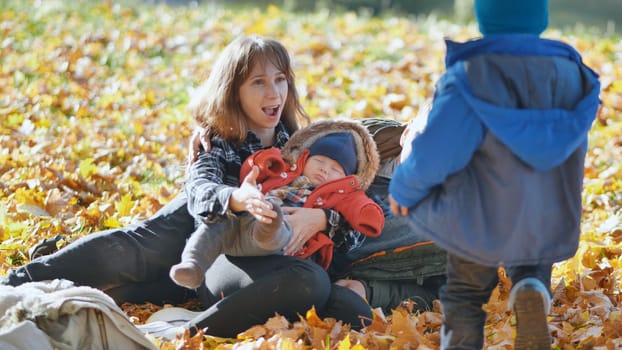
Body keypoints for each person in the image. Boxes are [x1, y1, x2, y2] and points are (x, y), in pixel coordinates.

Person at [2, 35, 373, 337]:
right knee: (127, 252)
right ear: (234, 90)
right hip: (192, 233)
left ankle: (183, 330)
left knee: (324, 292)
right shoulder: (217, 141)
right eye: (258, 82)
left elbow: (353, 198)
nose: (273, 92)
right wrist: (236, 196)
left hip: (252, 262)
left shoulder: (302, 147)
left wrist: (323, 220)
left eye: (280, 80)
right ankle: (21, 278)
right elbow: (199, 192)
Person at [388, 1, 601, 349]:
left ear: (484, 16)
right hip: (547, 208)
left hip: (478, 211)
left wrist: (405, 188)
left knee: (465, 294)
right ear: (541, 16)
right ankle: (532, 288)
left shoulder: (472, 75)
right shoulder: (572, 75)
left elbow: (437, 149)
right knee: (532, 257)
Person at [170, 119, 385, 289]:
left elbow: (361, 209)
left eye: (336, 169)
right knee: (215, 226)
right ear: (304, 158)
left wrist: (364, 215)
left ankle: (268, 229)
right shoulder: (286, 170)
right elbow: (258, 163)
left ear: (345, 179)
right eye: (319, 162)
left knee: (275, 223)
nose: (325, 170)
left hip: (284, 239)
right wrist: (265, 163)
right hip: (246, 219)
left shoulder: (341, 195)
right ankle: (192, 265)